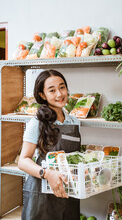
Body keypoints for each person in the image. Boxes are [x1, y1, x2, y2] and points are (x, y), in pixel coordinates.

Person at [18, 69, 81, 220]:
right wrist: (47, 173)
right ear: (42, 95)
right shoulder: (37, 122)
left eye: (62, 87)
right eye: (52, 90)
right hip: (41, 192)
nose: (59, 94)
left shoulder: (74, 121)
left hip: (67, 190)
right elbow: (23, 161)